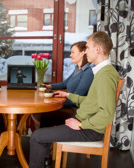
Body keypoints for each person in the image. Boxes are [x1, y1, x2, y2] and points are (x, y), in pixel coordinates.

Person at [29, 31, 120, 168]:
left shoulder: (105, 75)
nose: (85, 51)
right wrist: (68, 95)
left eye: (87, 48)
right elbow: (92, 101)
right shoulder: (103, 71)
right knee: (47, 117)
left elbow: (106, 113)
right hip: (84, 119)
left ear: (98, 49)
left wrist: (80, 125)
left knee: (36, 136)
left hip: (89, 129)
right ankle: (43, 159)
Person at [32, 41, 94, 128]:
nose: (70, 55)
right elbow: (65, 84)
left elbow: (76, 98)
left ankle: (44, 138)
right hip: (69, 105)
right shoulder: (78, 69)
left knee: (43, 114)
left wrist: (53, 100)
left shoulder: (88, 73)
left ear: (82, 53)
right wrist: (49, 86)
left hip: (76, 111)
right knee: (37, 112)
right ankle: (43, 137)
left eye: (73, 52)